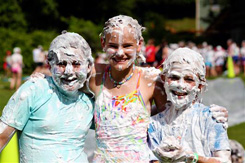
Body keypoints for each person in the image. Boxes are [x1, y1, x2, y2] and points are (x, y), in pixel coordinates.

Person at [89, 15, 228, 162]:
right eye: (113, 45)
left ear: (139, 44)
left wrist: (215, 114)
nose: (120, 52)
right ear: (103, 43)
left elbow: (178, 106)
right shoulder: (92, 76)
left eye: (127, 45)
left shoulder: (152, 80)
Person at [0, 31, 94, 162]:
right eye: (61, 64)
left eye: (76, 64)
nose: (68, 71)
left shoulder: (90, 101)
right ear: (49, 66)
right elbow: (2, 136)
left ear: (89, 66)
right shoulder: (35, 89)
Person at [148, 47, 231, 163]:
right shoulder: (154, 124)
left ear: (200, 86)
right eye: (174, 77)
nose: (180, 85)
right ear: (164, 79)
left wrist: (191, 157)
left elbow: (225, 161)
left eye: (189, 79)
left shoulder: (211, 118)